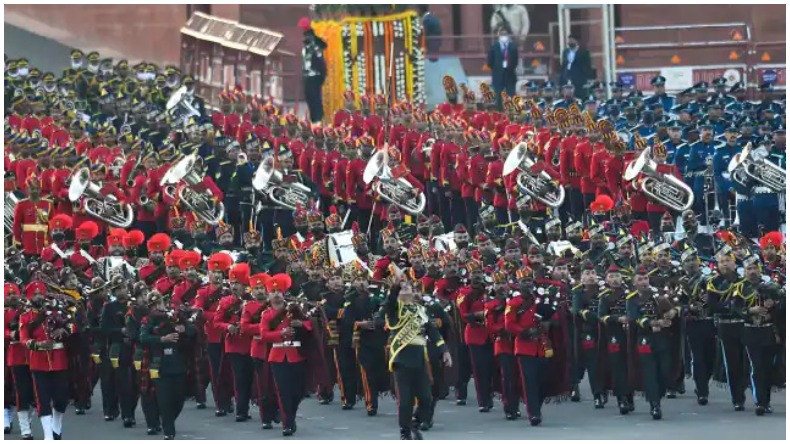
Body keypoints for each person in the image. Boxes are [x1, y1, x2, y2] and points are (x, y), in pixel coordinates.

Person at [298, 17, 327, 124]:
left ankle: (318, 119)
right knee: (309, 98)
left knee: (315, 99)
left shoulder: (315, 46)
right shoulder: (305, 48)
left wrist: (322, 75)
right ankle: (314, 118)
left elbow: (320, 60)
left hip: (315, 76)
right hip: (307, 77)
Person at [487, 26, 519, 111]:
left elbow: (516, 61)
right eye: (502, 34)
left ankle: (512, 115)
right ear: (498, 35)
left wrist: (509, 66)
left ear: (508, 35)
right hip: (498, 76)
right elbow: (489, 62)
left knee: (511, 97)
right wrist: (497, 68)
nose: (503, 36)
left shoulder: (513, 47)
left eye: (505, 34)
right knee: (498, 98)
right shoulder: (494, 47)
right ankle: (500, 114)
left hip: (510, 75)